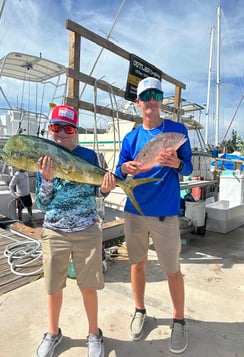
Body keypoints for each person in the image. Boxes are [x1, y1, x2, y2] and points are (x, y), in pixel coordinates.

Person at [114, 77, 193, 354]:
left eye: (155, 94)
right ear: (138, 102)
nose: (150, 100)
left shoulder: (177, 130)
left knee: (172, 270)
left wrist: (178, 163)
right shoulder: (131, 137)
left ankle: (179, 319)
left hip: (166, 214)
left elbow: (189, 169)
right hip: (134, 211)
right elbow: (118, 172)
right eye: (145, 95)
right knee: (137, 265)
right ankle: (139, 311)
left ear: (161, 100)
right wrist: (126, 168)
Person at [35, 104, 115, 357]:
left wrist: (105, 188)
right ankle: (53, 332)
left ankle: (94, 334)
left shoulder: (89, 157)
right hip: (54, 232)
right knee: (53, 286)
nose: (61, 133)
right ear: (50, 129)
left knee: (88, 286)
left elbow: (96, 192)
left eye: (67, 128)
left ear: (76, 130)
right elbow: (41, 203)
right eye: (55, 127)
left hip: (86, 230)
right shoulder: (43, 157)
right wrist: (46, 180)